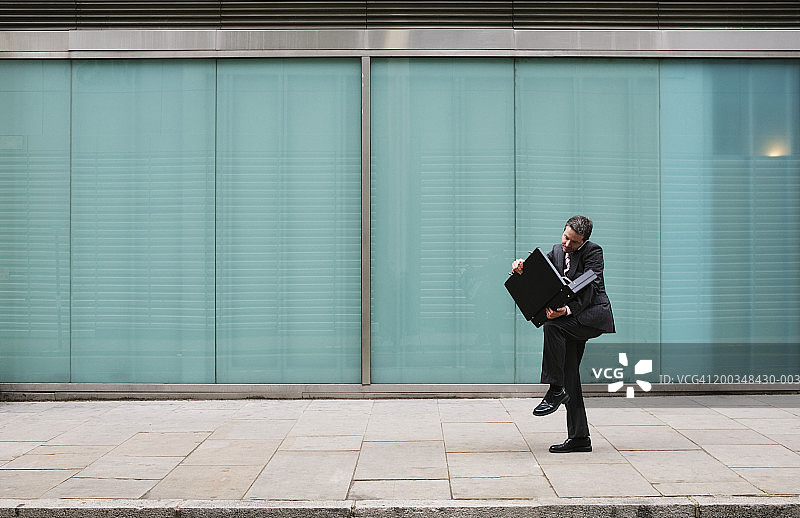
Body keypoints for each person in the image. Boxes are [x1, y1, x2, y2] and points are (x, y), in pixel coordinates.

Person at [512, 215, 615, 453]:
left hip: (590, 316)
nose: (568, 245)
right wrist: (521, 268)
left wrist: (566, 310)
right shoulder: (557, 251)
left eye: (575, 242)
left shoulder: (593, 252)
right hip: (569, 319)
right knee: (571, 376)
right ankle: (580, 437)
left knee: (553, 326)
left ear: (585, 241)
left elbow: (590, 286)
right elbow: (540, 273)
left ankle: (555, 389)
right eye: (566, 238)